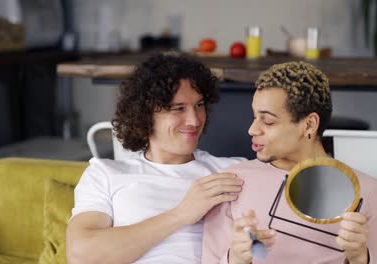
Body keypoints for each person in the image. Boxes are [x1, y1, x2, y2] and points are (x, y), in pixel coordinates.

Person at [66, 52, 246, 264]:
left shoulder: (234, 171)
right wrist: (180, 215)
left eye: (199, 105)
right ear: (145, 114)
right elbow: (81, 255)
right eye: (178, 108)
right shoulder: (106, 174)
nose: (194, 120)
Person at [202, 61, 377, 264]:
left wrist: (360, 258)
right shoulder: (231, 183)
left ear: (309, 124)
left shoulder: (366, 191)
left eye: (268, 121)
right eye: (254, 117)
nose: (252, 130)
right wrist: (235, 258)